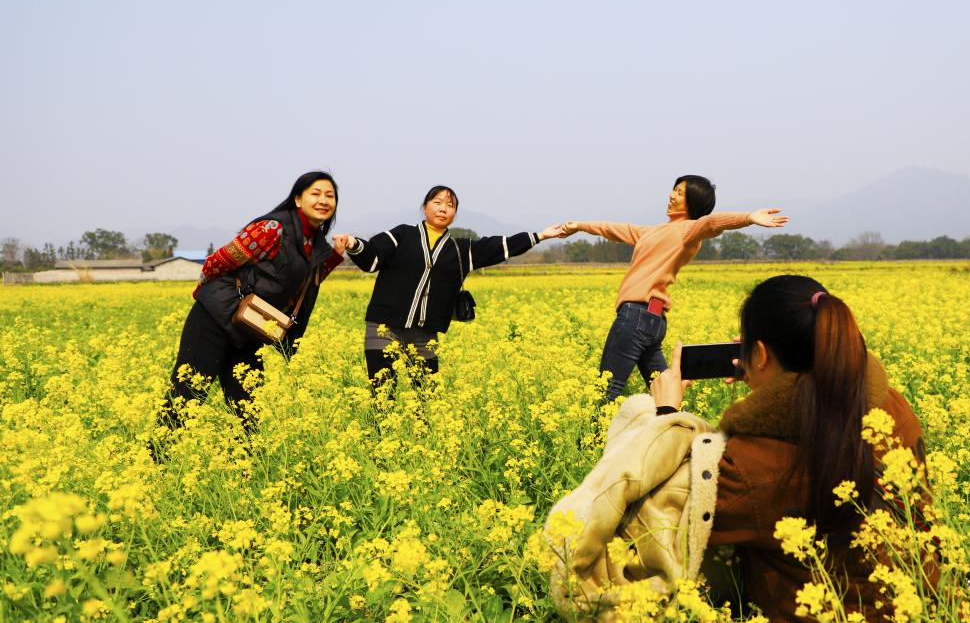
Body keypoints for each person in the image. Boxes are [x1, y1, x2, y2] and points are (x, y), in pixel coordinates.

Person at [546, 275, 936, 623]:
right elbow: (808, 412)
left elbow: (657, 521)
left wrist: (663, 414)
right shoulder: (889, 405)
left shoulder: (756, 468)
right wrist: (765, 380)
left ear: (761, 353)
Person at [559, 175, 788, 402]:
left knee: (606, 392)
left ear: (693, 202)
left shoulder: (688, 230)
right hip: (652, 321)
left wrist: (748, 217)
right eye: (674, 190)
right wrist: (579, 226)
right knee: (667, 394)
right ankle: (682, 434)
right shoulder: (652, 232)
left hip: (635, 317)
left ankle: (598, 439)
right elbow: (614, 229)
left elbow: (711, 223)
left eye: (680, 193)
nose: (671, 195)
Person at [160, 171, 347, 431]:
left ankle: (245, 468)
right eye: (315, 193)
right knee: (187, 395)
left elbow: (300, 285)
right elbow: (217, 262)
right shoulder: (274, 228)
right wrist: (213, 299)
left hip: (250, 327)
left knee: (247, 405)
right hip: (214, 319)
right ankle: (157, 460)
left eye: (330, 195)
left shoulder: (313, 243)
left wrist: (335, 256)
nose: (323, 200)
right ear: (297, 199)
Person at [332, 185, 563, 387]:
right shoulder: (402, 235)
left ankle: (421, 439)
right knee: (382, 393)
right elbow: (372, 258)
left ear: (454, 213)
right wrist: (353, 243)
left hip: (425, 333)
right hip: (383, 328)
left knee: (425, 400)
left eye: (450, 205)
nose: (443, 208)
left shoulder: (460, 249)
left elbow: (498, 246)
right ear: (425, 207)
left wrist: (540, 235)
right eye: (437, 202)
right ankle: (380, 437)